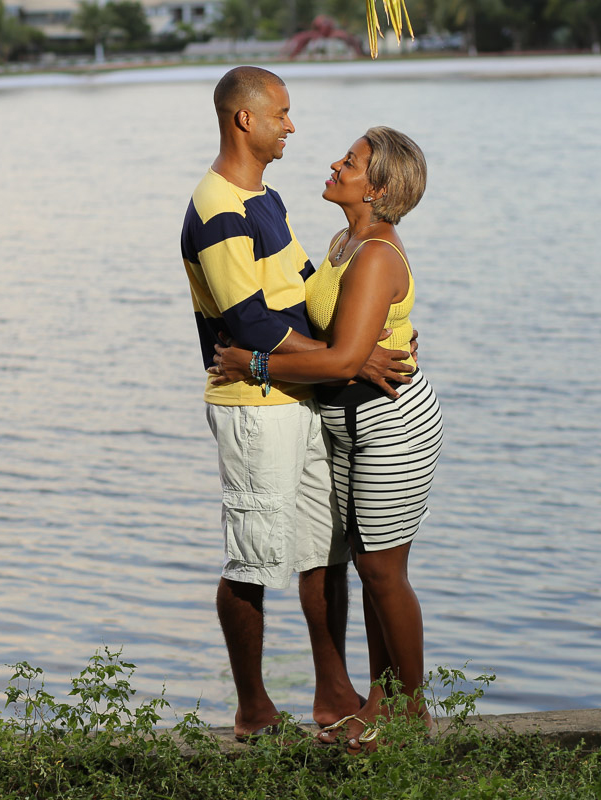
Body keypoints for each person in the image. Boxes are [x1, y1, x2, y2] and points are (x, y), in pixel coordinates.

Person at [180, 66, 419, 742]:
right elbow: (251, 323)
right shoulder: (219, 207)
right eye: (281, 113)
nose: (291, 125)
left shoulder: (267, 199)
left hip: (304, 397)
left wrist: (375, 336)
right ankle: (254, 710)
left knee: (325, 550)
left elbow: (309, 288)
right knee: (252, 557)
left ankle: (332, 690)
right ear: (244, 120)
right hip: (254, 402)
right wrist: (350, 358)